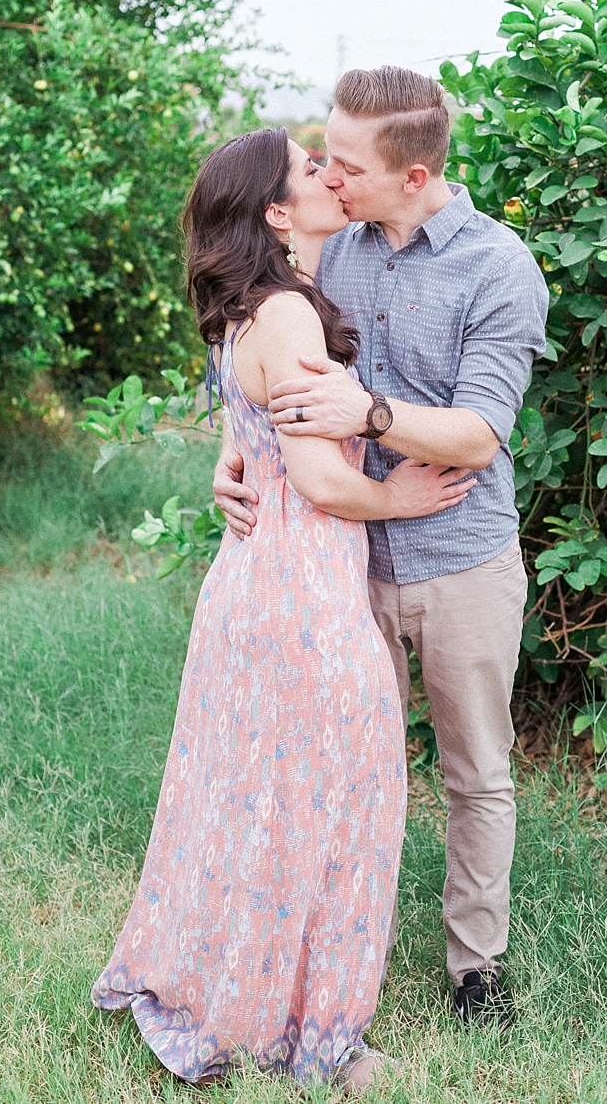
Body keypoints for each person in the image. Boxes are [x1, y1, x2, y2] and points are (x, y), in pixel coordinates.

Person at [92, 127, 477, 1092]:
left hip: (249, 590)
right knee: (345, 801)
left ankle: (241, 995)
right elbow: (317, 479)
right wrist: (401, 497)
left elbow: (253, 439)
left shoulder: (242, 314)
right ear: (275, 210)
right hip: (303, 597)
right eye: (311, 170)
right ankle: (321, 1038)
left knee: (251, 806)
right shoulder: (289, 314)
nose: (329, 177)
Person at [214, 67, 549, 1027]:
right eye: (323, 156)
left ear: (412, 175)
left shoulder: (497, 266)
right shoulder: (331, 249)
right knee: (339, 765)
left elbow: (481, 434)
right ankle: (327, 941)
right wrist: (238, 451)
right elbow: (261, 355)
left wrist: (370, 411)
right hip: (342, 564)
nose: (329, 175)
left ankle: (474, 967)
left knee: (475, 773)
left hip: (462, 564)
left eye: (346, 164)